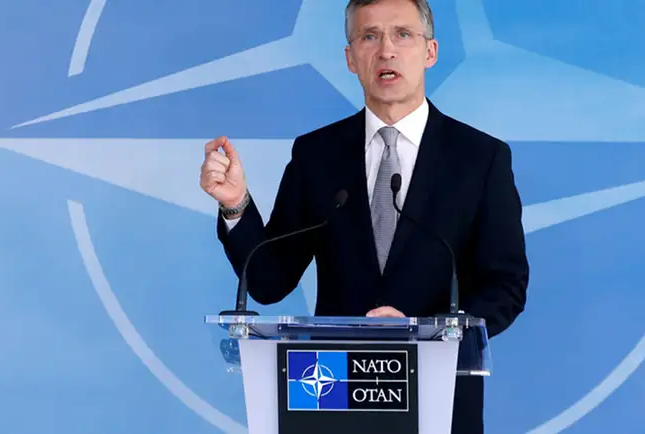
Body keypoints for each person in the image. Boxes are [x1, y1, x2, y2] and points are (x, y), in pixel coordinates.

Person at [199, 0, 528, 432]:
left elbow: (505, 285)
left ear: (430, 51)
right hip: (331, 396)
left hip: (439, 402)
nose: (386, 50)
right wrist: (236, 203)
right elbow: (269, 281)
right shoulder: (317, 154)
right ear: (351, 58)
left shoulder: (480, 158)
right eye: (370, 36)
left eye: (403, 34)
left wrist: (432, 333)